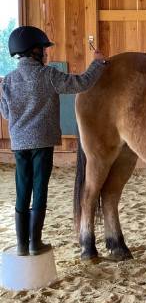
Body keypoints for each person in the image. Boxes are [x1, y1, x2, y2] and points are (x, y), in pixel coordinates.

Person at [0, 26, 108, 256]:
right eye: (44, 49)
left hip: (19, 144)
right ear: (36, 51)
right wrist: (97, 63)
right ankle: (35, 243)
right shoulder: (48, 75)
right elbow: (82, 83)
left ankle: (21, 245)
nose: (47, 54)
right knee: (40, 190)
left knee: (22, 190)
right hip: (43, 141)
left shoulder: (8, 81)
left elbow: (7, 114)